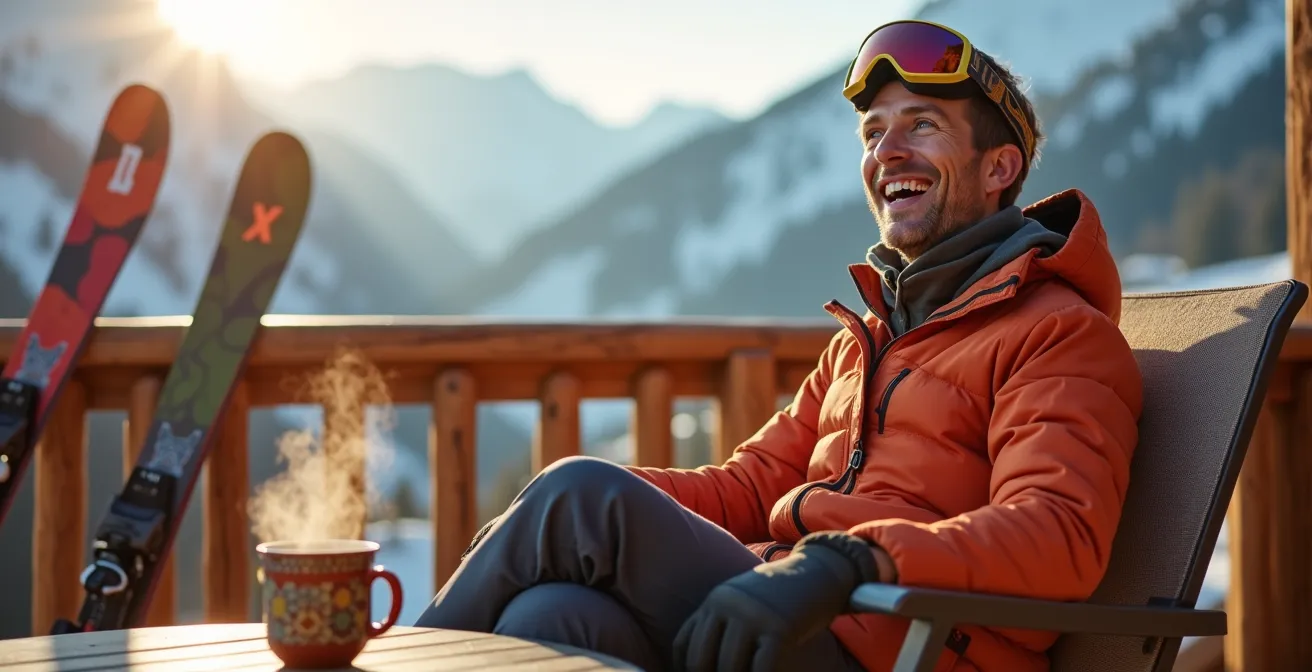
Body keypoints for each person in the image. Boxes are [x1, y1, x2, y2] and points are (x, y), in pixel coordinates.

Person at [414, 18, 1143, 672]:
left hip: (904, 646)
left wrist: (847, 562)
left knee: (577, 494)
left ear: (999, 169)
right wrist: (562, 518)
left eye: (921, 125)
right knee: (549, 620)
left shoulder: (1058, 335)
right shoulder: (867, 343)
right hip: (793, 619)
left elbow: (1058, 533)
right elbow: (748, 488)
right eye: (873, 133)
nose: (887, 151)